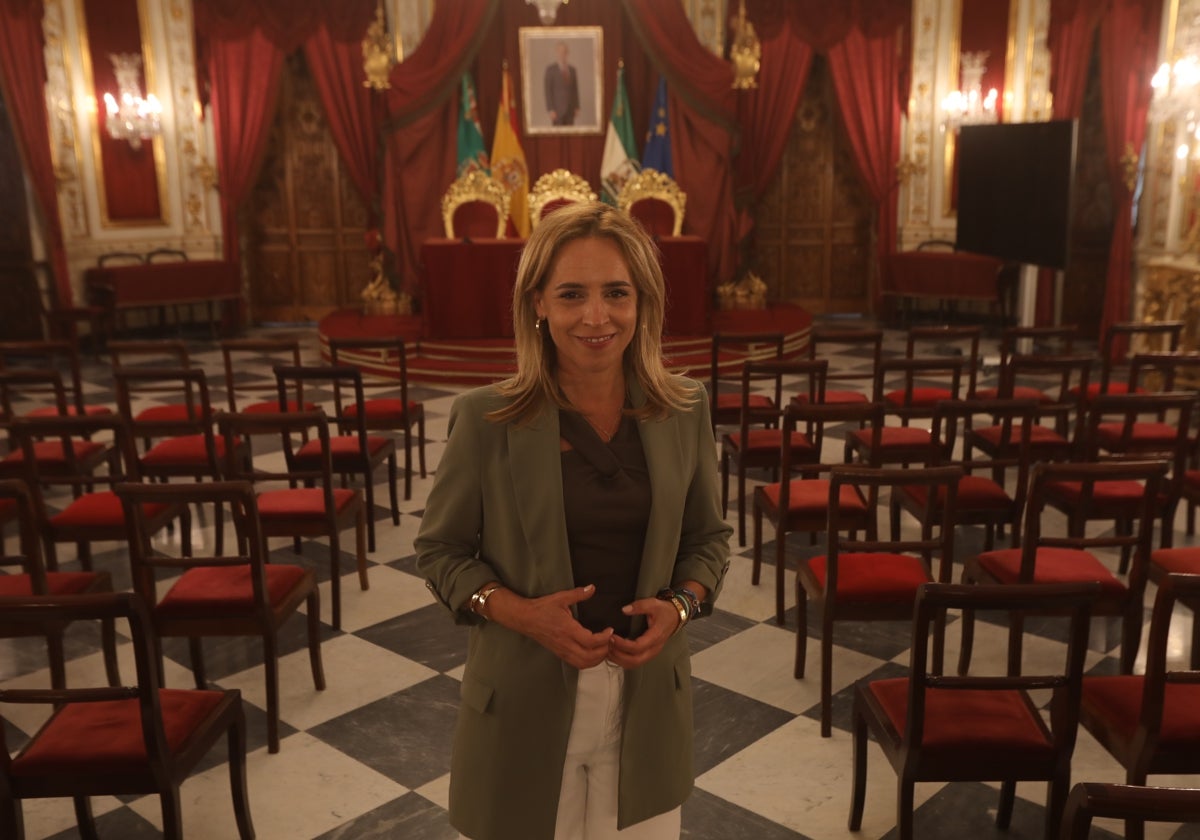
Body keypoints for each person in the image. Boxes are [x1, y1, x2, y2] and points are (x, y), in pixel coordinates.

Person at [416, 201, 731, 840]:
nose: (596, 316)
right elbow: (441, 552)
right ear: (538, 302)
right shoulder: (486, 419)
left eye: (616, 292)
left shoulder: (685, 409)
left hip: (648, 703)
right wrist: (520, 613)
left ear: (642, 302)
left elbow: (708, 541)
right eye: (571, 294)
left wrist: (681, 607)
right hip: (522, 702)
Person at [544, 41, 580, 126]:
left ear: (567, 53)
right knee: (557, 136)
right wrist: (551, 109)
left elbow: (575, 90)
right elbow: (548, 91)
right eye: (560, 52)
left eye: (564, 52)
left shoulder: (572, 70)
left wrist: (577, 106)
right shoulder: (551, 70)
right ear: (557, 53)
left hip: (570, 110)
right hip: (557, 110)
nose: (562, 54)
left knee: (571, 136)